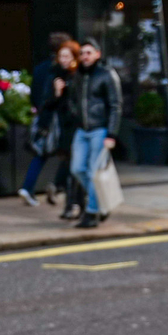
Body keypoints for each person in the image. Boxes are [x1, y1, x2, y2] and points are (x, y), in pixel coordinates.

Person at [66, 38, 122, 229]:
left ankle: (92, 213)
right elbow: (73, 99)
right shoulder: (79, 75)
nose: (85, 56)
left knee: (93, 172)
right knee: (77, 169)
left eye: (89, 53)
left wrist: (111, 134)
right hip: (82, 130)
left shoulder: (107, 75)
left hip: (100, 130)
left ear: (98, 54)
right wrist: (75, 113)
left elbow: (116, 106)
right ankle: (101, 202)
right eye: (82, 53)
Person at [19, 34, 76, 207]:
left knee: (42, 154)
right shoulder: (61, 71)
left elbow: (34, 96)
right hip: (58, 118)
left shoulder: (40, 68)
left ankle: (29, 188)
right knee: (69, 154)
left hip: (44, 117)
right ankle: (58, 187)